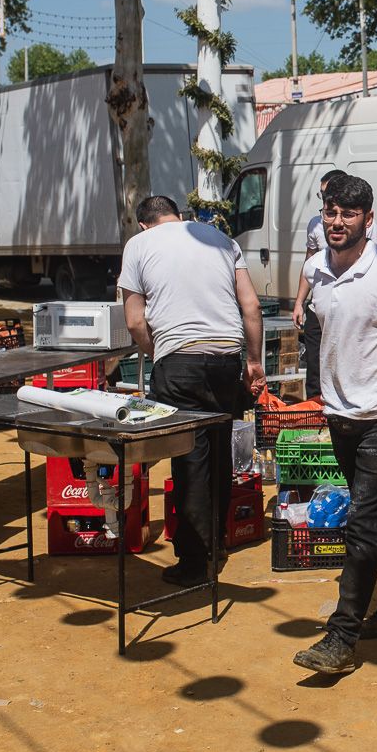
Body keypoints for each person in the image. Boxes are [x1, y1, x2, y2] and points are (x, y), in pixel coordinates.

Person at [292, 173, 377, 677]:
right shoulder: (315, 271)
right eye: (331, 212)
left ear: (368, 220)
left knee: (363, 525)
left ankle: (341, 635)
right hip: (340, 415)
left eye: (349, 214)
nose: (338, 222)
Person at [119, 196, 266, 587]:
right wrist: (254, 363)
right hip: (225, 360)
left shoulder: (138, 246)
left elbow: (135, 322)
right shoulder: (219, 238)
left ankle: (195, 560)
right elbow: (250, 306)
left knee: (188, 460)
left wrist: (161, 354)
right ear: (180, 218)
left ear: (143, 225)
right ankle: (216, 543)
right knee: (217, 455)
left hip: (179, 361)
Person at [294, 170, 377, 399]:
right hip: (321, 302)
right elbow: (309, 264)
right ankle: (317, 408)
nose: (337, 222)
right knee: (317, 362)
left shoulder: (363, 226)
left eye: (345, 213)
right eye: (326, 200)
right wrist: (299, 302)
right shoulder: (316, 225)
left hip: (353, 298)